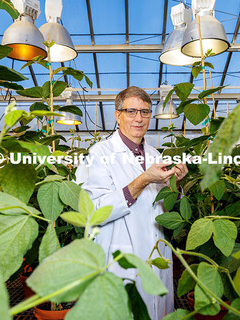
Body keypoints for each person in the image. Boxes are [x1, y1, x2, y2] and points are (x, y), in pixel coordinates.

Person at [75, 86, 188, 320]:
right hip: (119, 255)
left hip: (157, 252)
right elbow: (94, 211)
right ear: (118, 115)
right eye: (131, 111)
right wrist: (144, 179)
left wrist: (176, 187)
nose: (139, 118)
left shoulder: (156, 155)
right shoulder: (98, 155)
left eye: (145, 112)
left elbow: (164, 210)